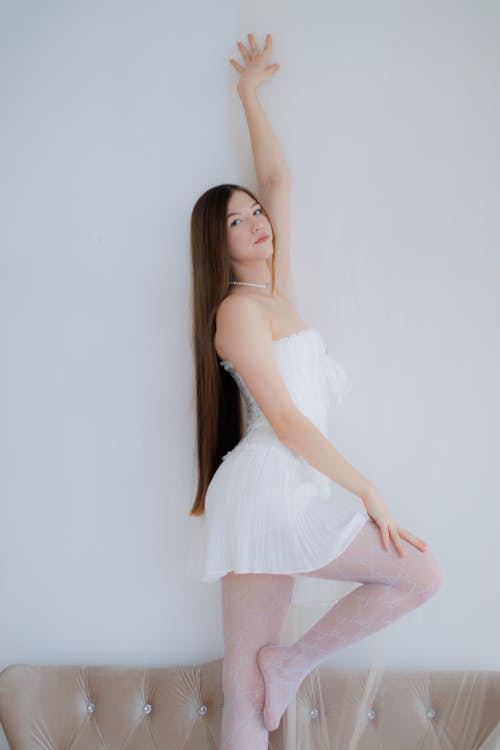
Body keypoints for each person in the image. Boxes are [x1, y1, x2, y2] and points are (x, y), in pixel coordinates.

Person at [186, 32, 443, 750]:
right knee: (417, 575)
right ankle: (285, 665)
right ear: (218, 244)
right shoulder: (236, 312)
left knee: (255, 686)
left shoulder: (278, 292)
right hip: (267, 487)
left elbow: (281, 180)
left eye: (253, 212)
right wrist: (368, 491)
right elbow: (291, 423)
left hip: (285, 488)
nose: (256, 222)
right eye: (236, 221)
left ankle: (289, 663)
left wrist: (247, 95)